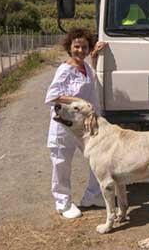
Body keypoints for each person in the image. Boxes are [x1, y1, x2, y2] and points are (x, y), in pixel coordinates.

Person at [44, 28, 107, 218]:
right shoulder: (65, 70)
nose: (80, 50)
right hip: (64, 126)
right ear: (70, 48)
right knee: (62, 163)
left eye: (84, 47)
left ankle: (93, 195)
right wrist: (77, 102)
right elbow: (52, 96)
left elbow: (93, 78)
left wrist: (95, 56)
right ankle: (63, 203)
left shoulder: (86, 67)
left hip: (84, 127)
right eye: (77, 46)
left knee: (96, 160)